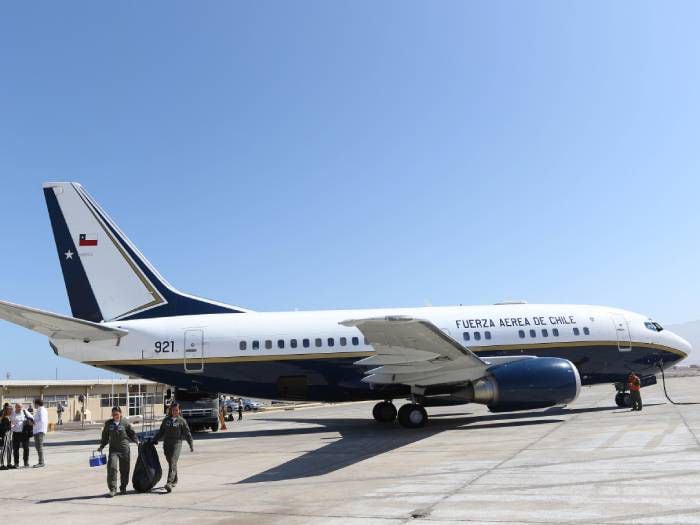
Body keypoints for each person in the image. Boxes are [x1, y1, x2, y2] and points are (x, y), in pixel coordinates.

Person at [98, 406, 138, 497]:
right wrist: (102, 446)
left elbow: (132, 433)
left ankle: (123, 487)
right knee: (112, 468)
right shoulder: (109, 424)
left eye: (117, 414)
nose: (115, 416)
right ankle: (113, 489)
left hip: (124, 449)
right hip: (114, 450)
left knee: (125, 470)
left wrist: (137, 442)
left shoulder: (125, 422)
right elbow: (105, 436)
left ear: (120, 413)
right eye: (113, 414)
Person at [153, 402, 193, 493]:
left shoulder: (182, 421)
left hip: (177, 443)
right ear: (171, 410)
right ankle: (175, 480)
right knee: (171, 462)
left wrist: (191, 444)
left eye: (176, 410)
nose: (175, 411)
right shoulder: (166, 420)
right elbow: (161, 432)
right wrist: (154, 439)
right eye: (173, 410)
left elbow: (187, 433)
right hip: (167, 444)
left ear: (179, 411)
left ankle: (169, 483)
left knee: (172, 461)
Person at [10, 403, 33, 468]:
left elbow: (32, 419)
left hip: (24, 433)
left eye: (20, 407)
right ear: (15, 407)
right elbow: (10, 422)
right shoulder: (13, 413)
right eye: (18, 407)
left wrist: (29, 423)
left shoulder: (25, 412)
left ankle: (26, 463)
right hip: (16, 433)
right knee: (15, 449)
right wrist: (11, 427)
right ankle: (16, 463)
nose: (20, 408)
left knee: (26, 448)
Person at [32, 399, 48, 468]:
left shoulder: (41, 410)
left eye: (34, 403)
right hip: (37, 430)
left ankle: (41, 462)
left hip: (40, 431)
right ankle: (41, 461)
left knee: (39, 446)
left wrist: (33, 422)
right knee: (37, 446)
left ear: (37, 404)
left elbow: (42, 420)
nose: (34, 405)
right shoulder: (39, 410)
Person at [0, 406, 12, 470]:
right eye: (10, 410)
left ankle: (9, 463)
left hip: (9, 435)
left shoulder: (8, 418)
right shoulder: (4, 418)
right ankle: (1, 464)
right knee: (4, 450)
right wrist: (10, 426)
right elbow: (3, 428)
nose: (11, 411)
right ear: (7, 411)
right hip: (5, 435)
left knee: (9, 450)